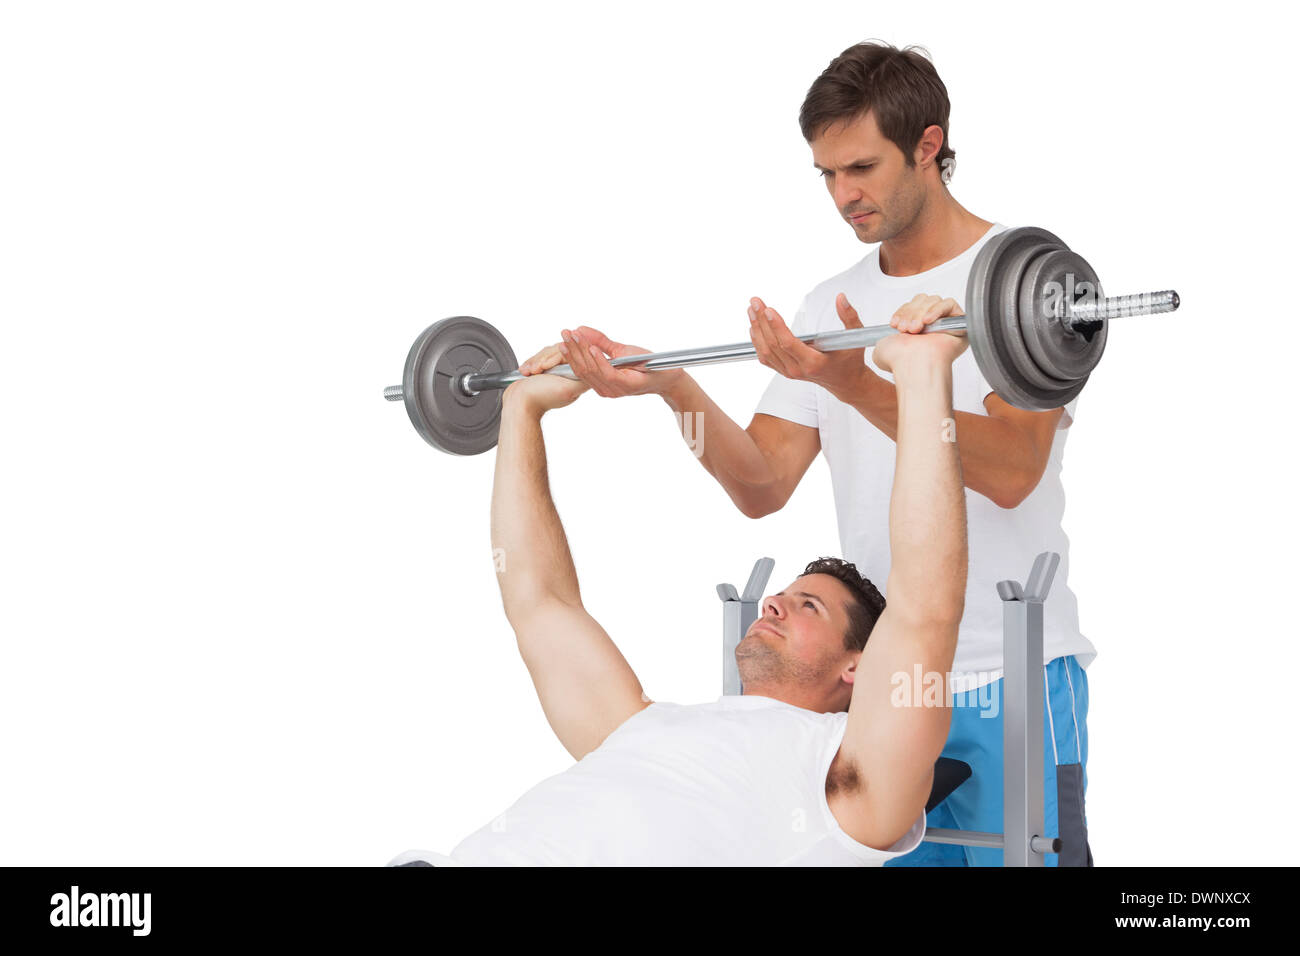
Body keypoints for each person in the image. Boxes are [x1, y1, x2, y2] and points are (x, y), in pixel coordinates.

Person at [515, 41, 1092, 866]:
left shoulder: (1014, 286)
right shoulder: (830, 304)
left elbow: (1012, 472)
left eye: (861, 167)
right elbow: (761, 483)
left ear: (929, 146)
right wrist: (674, 391)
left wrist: (857, 384)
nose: (843, 195)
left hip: (1012, 669)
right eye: (826, 174)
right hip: (871, 684)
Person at [387, 314, 969, 867]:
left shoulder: (844, 777)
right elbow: (540, 604)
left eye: (807, 605)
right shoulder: (637, 726)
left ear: (857, 668)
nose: (772, 603)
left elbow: (925, 611)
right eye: (785, 594)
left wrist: (923, 376)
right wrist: (520, 412)